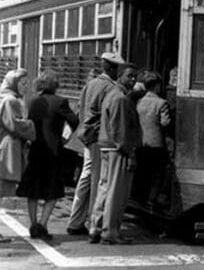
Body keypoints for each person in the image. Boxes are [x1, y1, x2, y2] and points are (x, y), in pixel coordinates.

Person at [66, 52, 124, 236]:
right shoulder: (109, 88)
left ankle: (76, 220)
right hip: (99, 138)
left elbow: (81, 110)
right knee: (98, 180)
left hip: (86, 137)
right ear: (112, 69)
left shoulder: (90, 84)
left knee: (87, 175)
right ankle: (93, 223)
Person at [16, 71, 78, 239]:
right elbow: (74, 120)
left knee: (33, 190)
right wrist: (65, 138)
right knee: (53, 190)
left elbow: (29, 124)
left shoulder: (34, 102)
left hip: (36, 149)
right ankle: (43, 225)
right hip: (53, 151)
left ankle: (33, 224)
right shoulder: (61, 101)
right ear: (55, 85)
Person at [89, 63, 142, 244]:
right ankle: (110, 232)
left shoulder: (112, 95)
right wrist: (130, 152)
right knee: (116, 191)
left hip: (106, 146)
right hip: (117, 149)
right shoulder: (121, 98)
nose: (133, 79)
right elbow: (120, 131)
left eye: (135, 76)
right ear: (120, 76)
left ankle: (96, 227)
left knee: (104, 187)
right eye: (129, 76)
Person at [0, 69, 36, 243]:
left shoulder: (4, 97)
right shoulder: (10, 101)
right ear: (14, 83)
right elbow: (15, 124)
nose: (26, 86)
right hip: (7, 148)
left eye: (27, 83)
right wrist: (31, 125)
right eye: (23, 83)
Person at [135, 72, 171, 209]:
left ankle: (140, 199)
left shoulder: (139, 102)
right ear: (157, 86)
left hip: (141, 143)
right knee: (157, 174)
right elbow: (165, 123)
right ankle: (152, 200)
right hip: (156, 144)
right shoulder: (161, 103)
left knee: (143, 172)